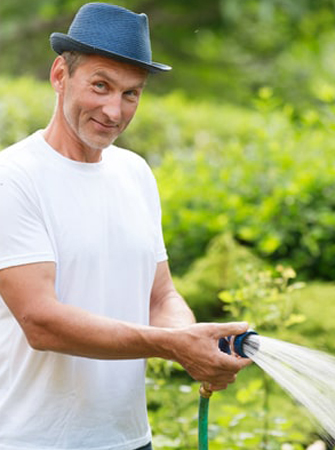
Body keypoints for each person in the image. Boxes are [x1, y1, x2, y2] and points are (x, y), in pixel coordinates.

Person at [0, 3, 250, 450]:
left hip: (129, 439)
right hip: (32, 440)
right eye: (100, 85)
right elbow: (41, 321)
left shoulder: (135, 173)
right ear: (60, 75)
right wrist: (171, 345)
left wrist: (192, 342)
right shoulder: (14, 177)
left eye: (131, 93)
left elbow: (161, 296)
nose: (114, 111)